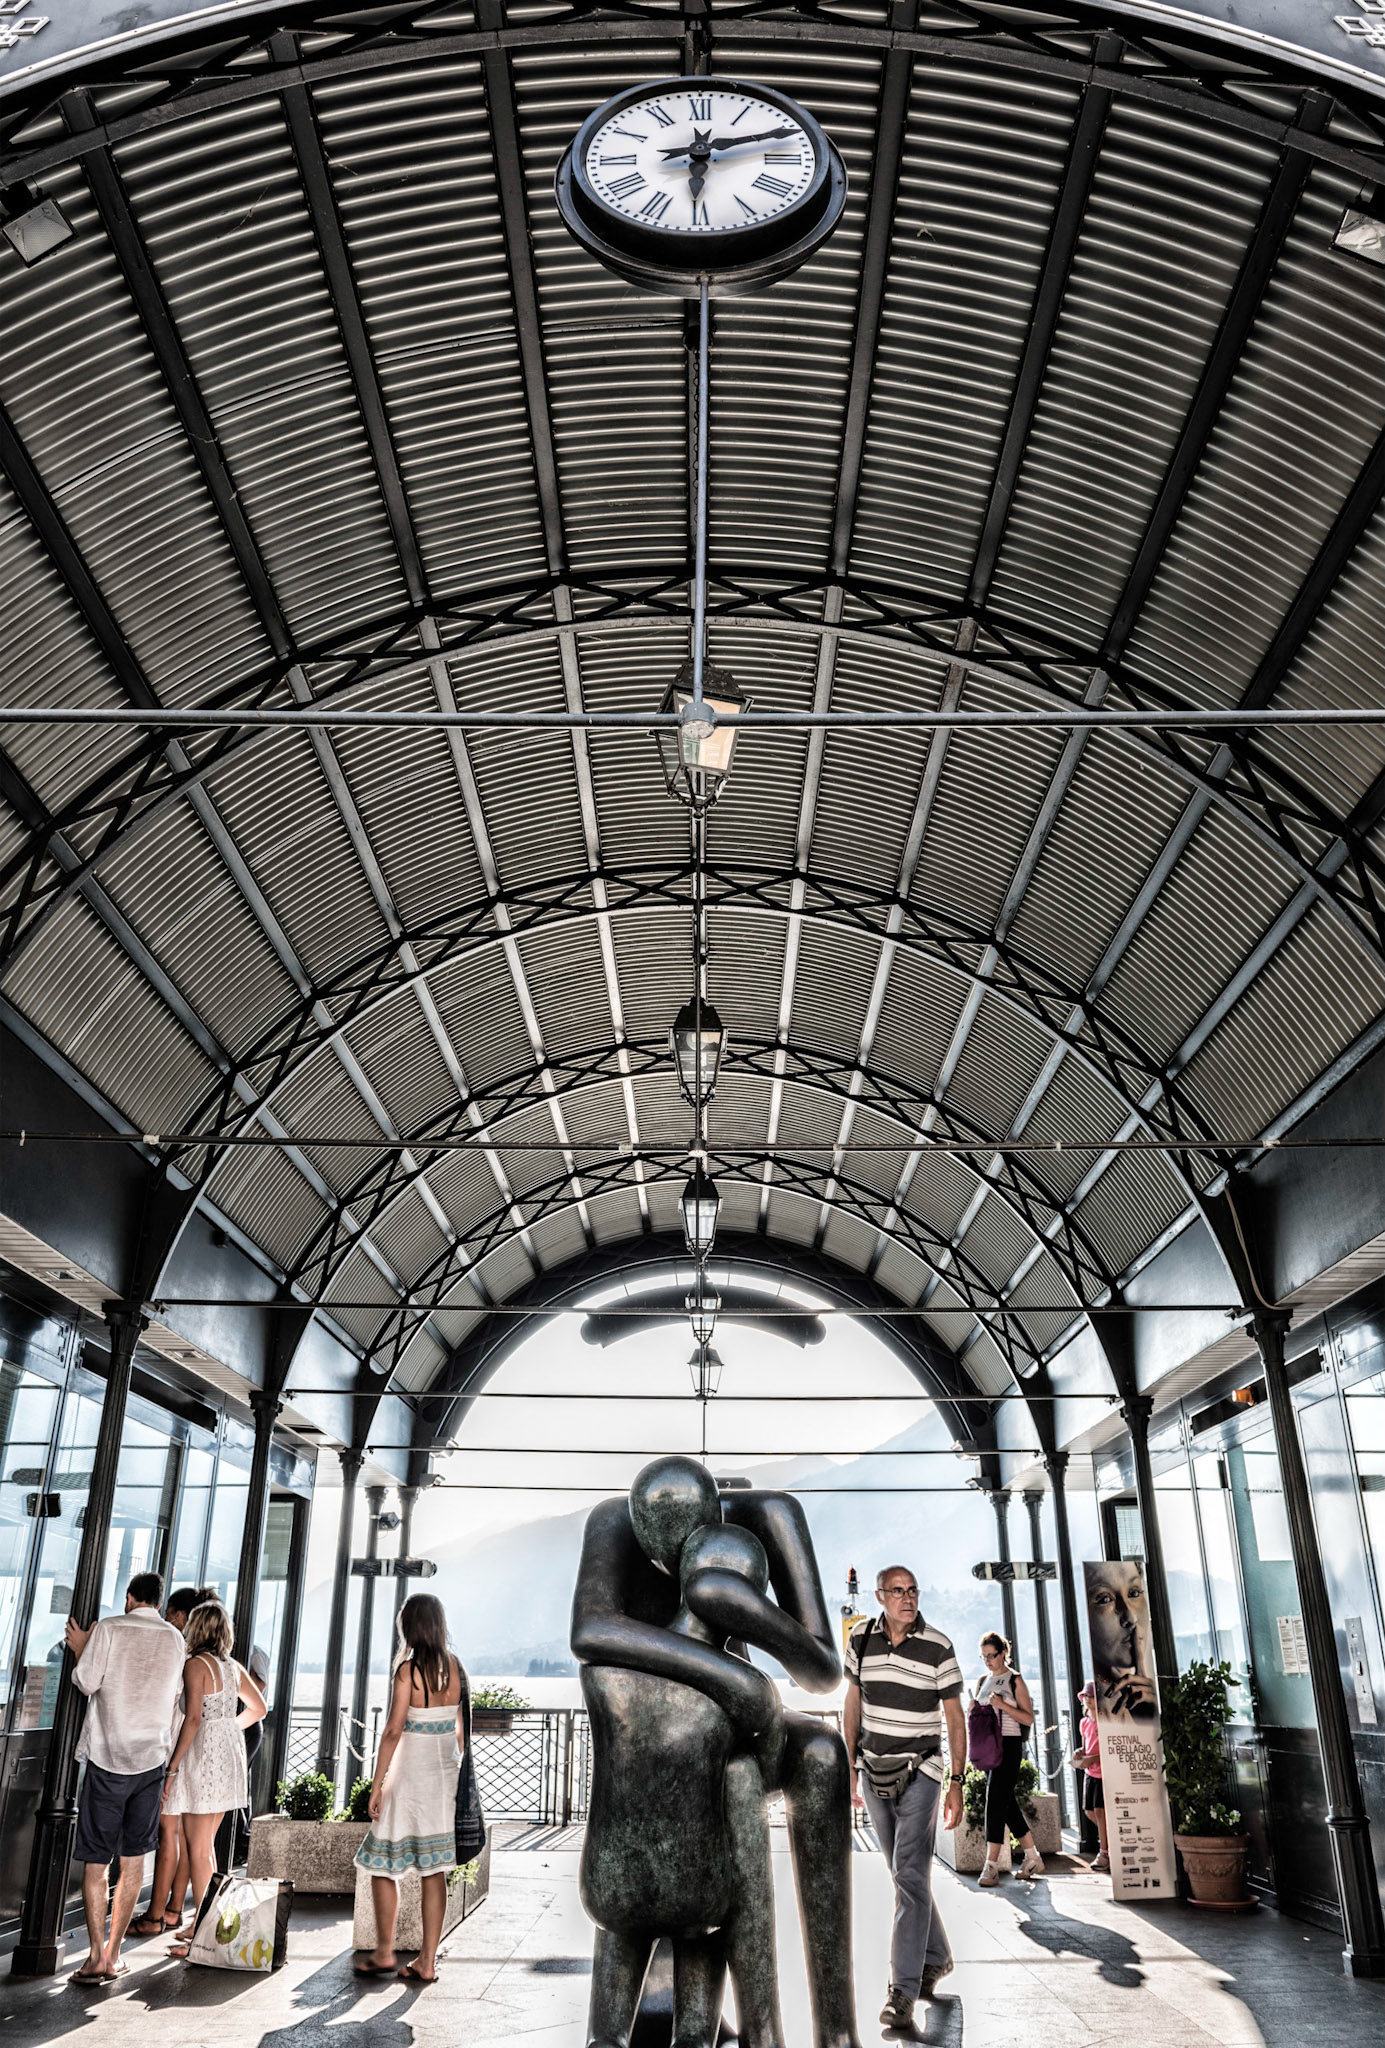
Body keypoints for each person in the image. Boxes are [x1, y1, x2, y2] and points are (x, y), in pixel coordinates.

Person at [844, 1565, 966, 2035]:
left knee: (910, 1873)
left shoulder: (938, 1645)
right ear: (880, 1596)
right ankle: (937, 1955)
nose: (907, 1597)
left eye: (912, 1590)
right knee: (904, 1877)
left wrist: (956, 1779)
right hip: (874, 1772)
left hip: (924, 1771)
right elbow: (852, 1705)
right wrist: (849, 1768)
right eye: (897, 1591)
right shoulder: (860, 1642)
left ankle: (902, 1993)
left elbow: (955, 1717)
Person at [64, 1570, 186, 1984]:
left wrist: (82, 1649)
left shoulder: (112, 1628)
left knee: (97, 1860)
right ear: (158, 1600)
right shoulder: (174, 1638)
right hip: (151, 1760)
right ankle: (116, 1954)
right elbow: (174, 1699)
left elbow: (86, 1682)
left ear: (131, 1597)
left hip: (108, 1758)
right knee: (135, 1858)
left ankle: (95, 1956)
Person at [353, 1594, 465, 1985]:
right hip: (444, 1778)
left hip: (410, 1774)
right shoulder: (457, 1669)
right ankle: (427, 1961)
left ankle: (385, 1951)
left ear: (410, 1626)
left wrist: (377, 1783)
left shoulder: (408, 1672)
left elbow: (393, 1730)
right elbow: (461, 1734)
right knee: (434, 1871)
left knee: (382, 1864)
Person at [163, 1598, 266, 1954]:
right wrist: (229, 1729)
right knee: (206, 1846)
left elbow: (192, 1720)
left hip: (203, 1756)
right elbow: (260, 1709)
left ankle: (205, 1933)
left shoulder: (195, 1665)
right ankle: (205, 1921)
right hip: (228, 1758)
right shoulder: (233, 1667)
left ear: (197, 1628)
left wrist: (172, 1767)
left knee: (198, 1848)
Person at [130, 1585, 203, 1939]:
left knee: (168, 1832)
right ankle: (173, 1909)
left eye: (169, 1615)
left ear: (178, 1616)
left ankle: (157, 1913)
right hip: (197, 1751)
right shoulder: (210, 1659)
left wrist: (172, 1765)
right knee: (187, 1836)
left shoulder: (182, 1656)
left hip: (175, 1747)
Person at [972, 1633, 1044, 1887]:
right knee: (1005, 1802)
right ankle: (1032, 1856)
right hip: (988, 1747)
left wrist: (1003, 1706)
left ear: (1003, 1652)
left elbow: (1028, 1719)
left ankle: (990, 1865)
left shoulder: (1015, 1680)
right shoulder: (983, 1680)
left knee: (994, 1800)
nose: (988, 1661)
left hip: (1009, 1746)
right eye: (984, 1657)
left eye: (991, 1655)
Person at [1072, 1679, 1109, 1871]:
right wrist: (1080, 1754)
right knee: (1089, 1811)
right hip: (1090, 1772)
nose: (1087, 1699)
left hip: (1104, 1772)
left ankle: (1104, 1852)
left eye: (1091, 1696)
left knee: (1101, 1812)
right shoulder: (1084, 1723)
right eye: (1085, 1696)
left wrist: (1093, 1758)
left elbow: (1109, 1748)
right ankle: (1110, 1839)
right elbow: (1087, 1747)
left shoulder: (1105, 1722)